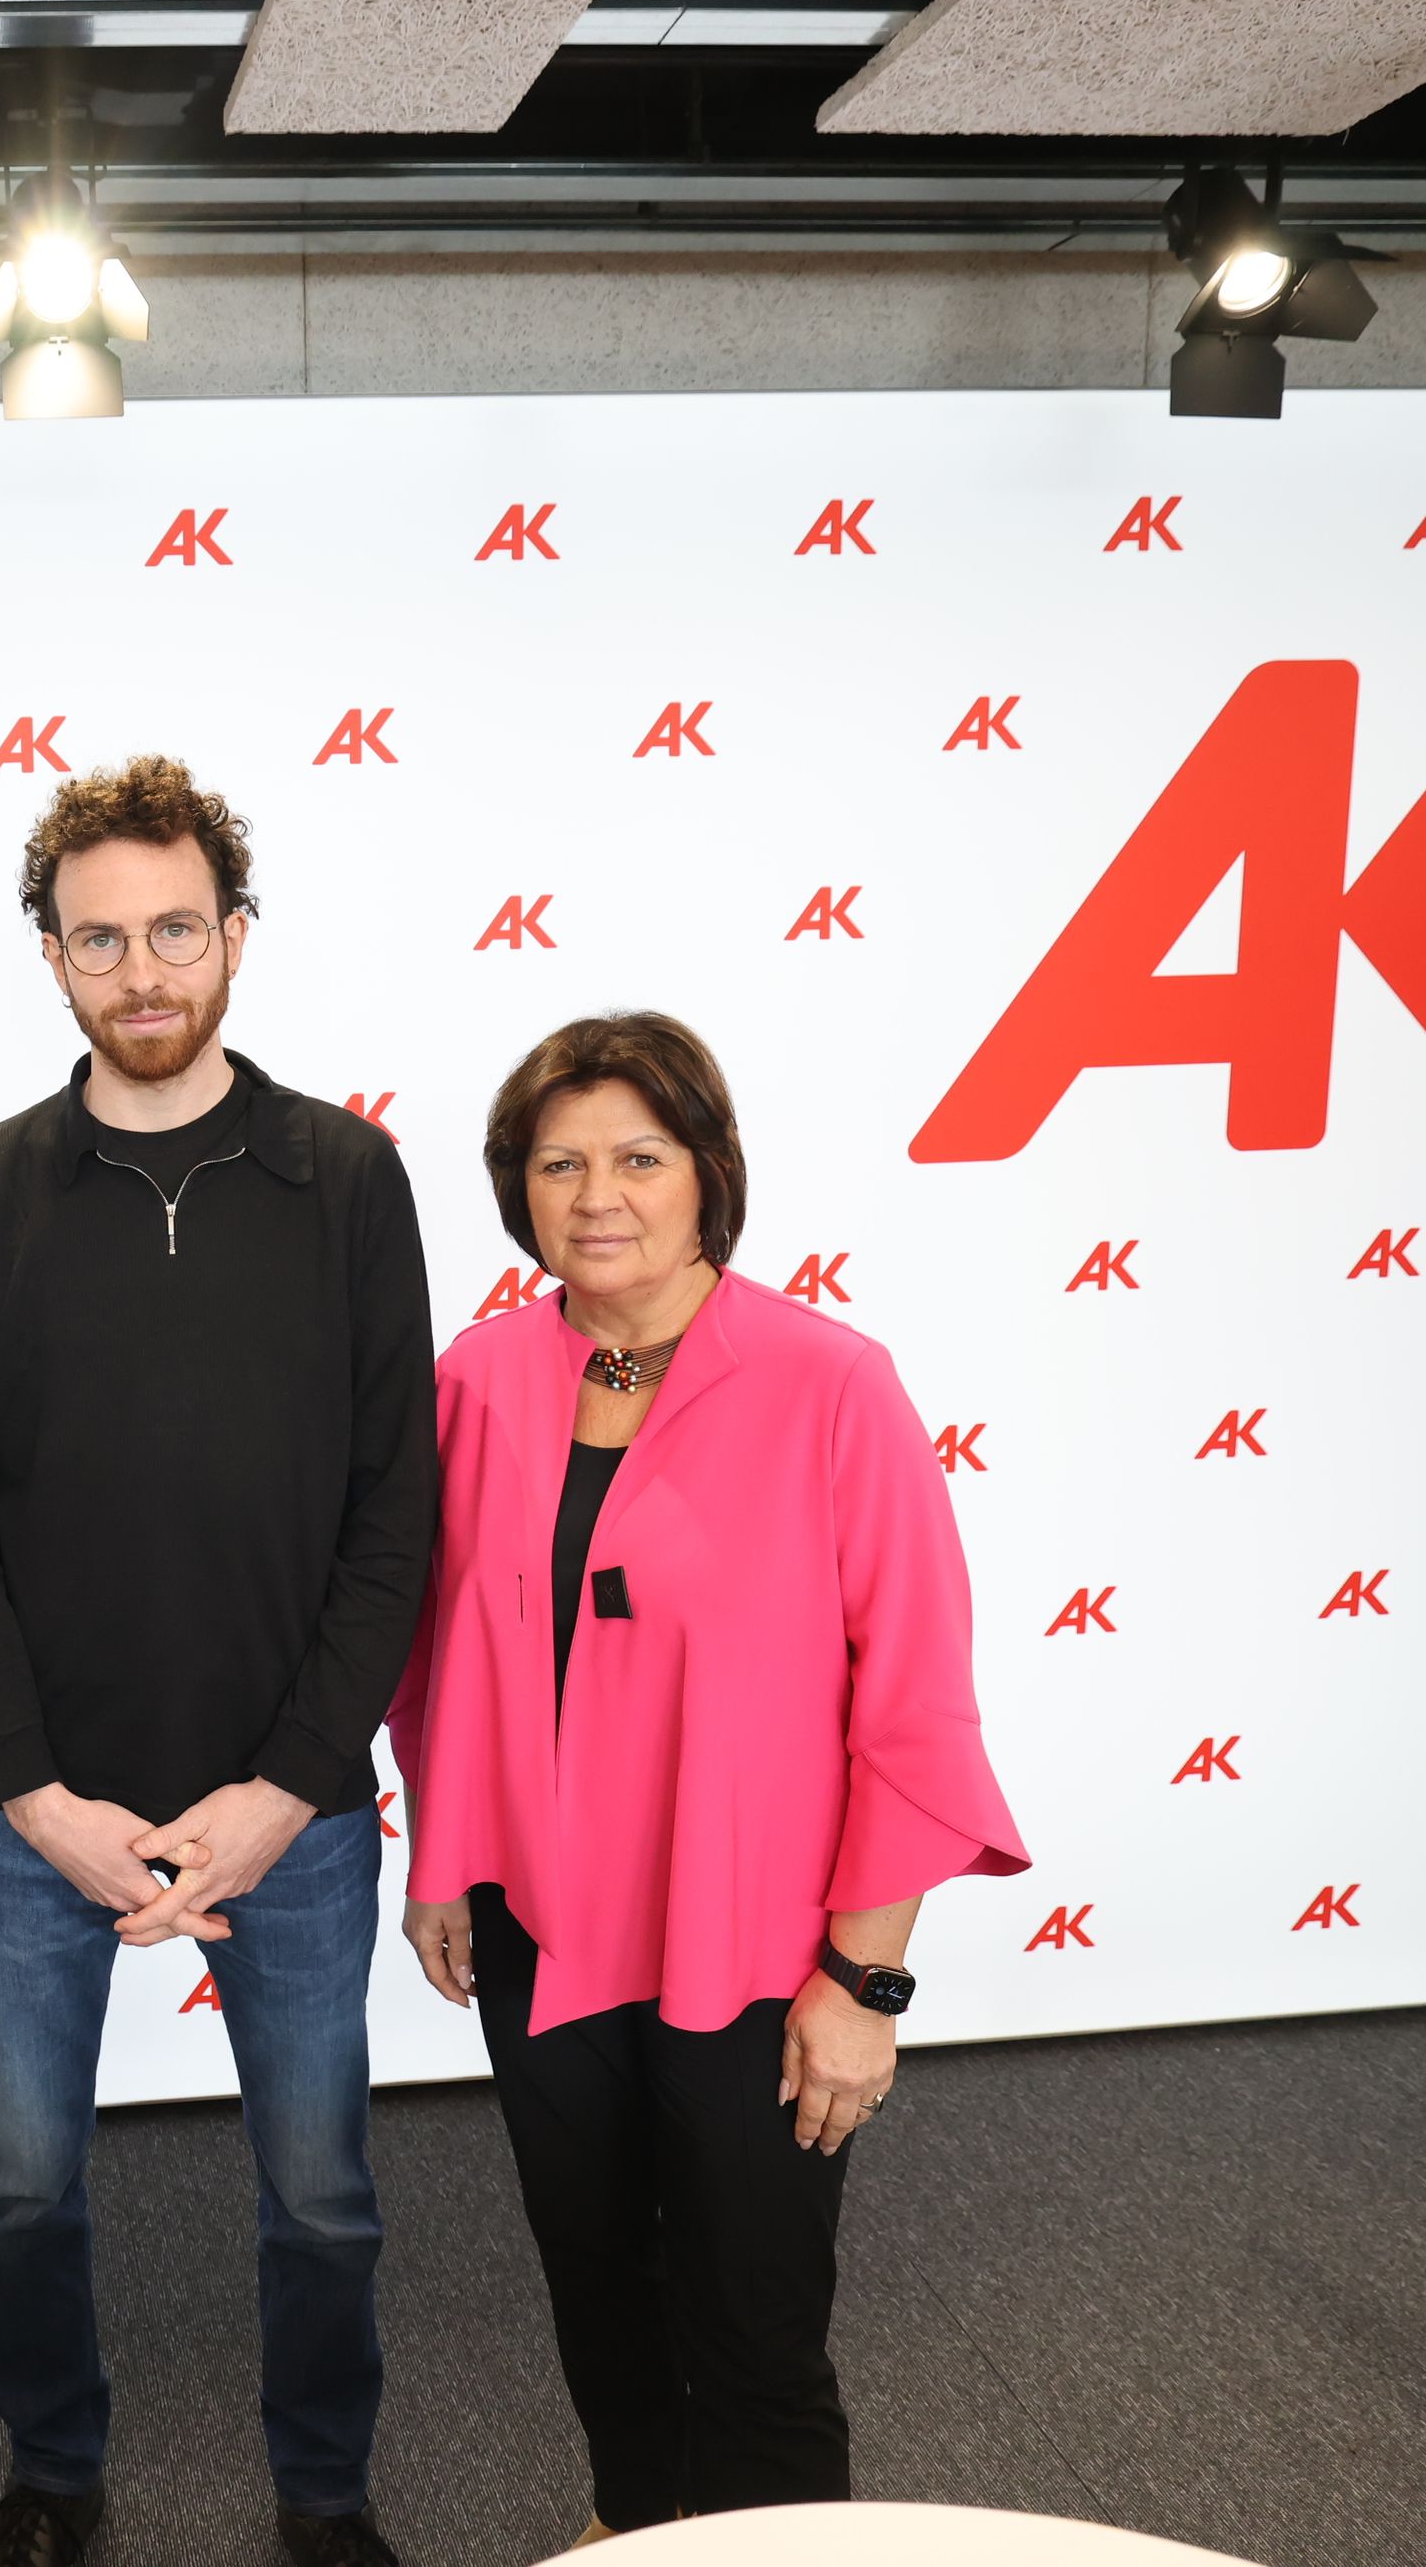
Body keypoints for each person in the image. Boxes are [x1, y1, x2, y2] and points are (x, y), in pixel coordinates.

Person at [0, 757, 439, 2567]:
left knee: (323, 2196)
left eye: (175, 932)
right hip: (40, 1811)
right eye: (99, 937)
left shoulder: (350, 1179)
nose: (142, 972)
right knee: (26, 2188)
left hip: (293, 1810)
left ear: (235, 937)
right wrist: (36, 1795)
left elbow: (394, 1519)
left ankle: (329, 2495)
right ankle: (53, 2473)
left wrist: (287, 1791)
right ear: (50, 956)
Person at [386, 1013, 1028, 2544]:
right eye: (558, 1162)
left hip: (755, 1948)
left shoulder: (830, 1384)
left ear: (706, 1175)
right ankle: (639, 2536)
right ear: (516, 1189)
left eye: (637, 1157)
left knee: (752, 2330)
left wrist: (862, 1985)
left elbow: (916, 1704)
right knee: (601, 2299)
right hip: (539, 1935)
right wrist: (444, 1858)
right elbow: (438, 1651)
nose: (596, 1194)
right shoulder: (475, 1379)